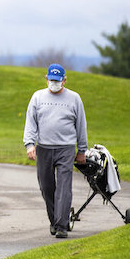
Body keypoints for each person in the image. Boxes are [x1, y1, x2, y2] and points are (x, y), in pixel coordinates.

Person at [23, 63, 88, 239]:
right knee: (46, 186)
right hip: (44, 148)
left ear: (64, 80)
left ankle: (61, 225)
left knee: (64, 187)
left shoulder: (74, 98)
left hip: (66, 148)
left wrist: (82, 150)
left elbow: (81, 125)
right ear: (46, 78)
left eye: (58, 80)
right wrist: (30, 145)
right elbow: (31, 122)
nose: (54, 83)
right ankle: (54, 220)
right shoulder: (37, 97)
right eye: (51, 80)